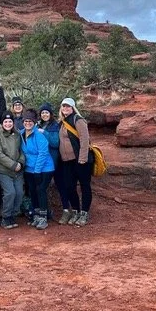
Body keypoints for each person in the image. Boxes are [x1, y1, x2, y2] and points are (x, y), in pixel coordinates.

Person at [58, 97, 93, 226]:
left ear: (73, 108)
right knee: (69, 187)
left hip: (81, 160)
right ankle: (76, 211)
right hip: (67, 161)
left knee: (85, 186)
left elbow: (85, 139)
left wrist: (82, 159)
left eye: (68, 106)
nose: (65, 108)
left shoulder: (78, 120)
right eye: (63, 106)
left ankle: (84, 213)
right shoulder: (61, 122)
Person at [20, 109, 55, 230]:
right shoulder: (21, 134)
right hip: (29, 168)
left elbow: (43, 153)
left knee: (40, 190)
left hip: (44, 168)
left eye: (30, 121)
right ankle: (36, 214)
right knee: (32, 191)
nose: (28, 123)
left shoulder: (39, 135)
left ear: (34, 122)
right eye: (25, 121)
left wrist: (37, 170)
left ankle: (43, 217)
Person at [0, 112, 25, 229]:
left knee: (19, 193)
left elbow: (22, 150)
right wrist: (12, 165)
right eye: (5, 122)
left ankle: (13, 214)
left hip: (18, 170)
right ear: (2, 123)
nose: (8, 123)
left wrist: (20, 163)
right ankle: (6, 216)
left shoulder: (17, 134)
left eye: (10, 121)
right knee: (10, 192)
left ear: (13, 123)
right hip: (3, 170)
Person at [37, 102, 67, 223]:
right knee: (42, 188)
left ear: (50, 114)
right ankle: (45, 212)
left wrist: (45, 133)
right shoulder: (39, 124)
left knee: (61, 186)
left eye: (47, 112)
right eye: (43, 112)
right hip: (42, 162)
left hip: (54, 161)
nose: (44, 114)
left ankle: (66, 210)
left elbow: (55, 143)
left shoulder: (55, 126)